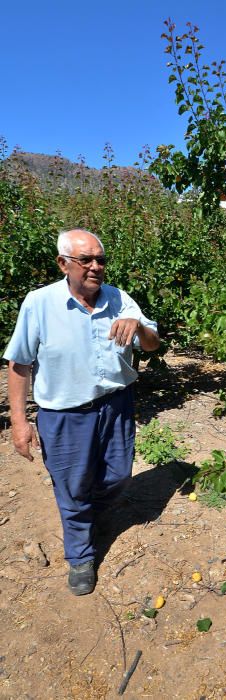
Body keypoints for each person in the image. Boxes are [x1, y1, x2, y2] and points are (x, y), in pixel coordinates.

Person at [3, 229, 160, 596]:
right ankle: (80, 556)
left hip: (116, 406)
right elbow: (19, 364)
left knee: (119, 477)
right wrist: (19, 422)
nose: (95, 267)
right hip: (65, 415)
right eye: (85, 260)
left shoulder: (120, 299)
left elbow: (152, 343)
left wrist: (139, 327)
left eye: (100, 259)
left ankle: (89, 517)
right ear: (63, 264)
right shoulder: (39, 303)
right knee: (72, 488)